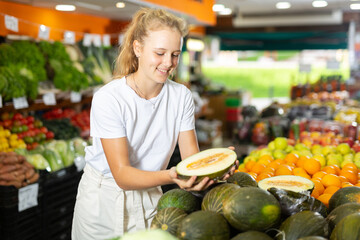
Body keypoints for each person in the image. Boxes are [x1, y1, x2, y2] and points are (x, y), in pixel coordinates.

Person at [72, 8, 237, 240]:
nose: (168, 63)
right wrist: (172, 176)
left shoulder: (181, 96)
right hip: (104, 202)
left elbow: (191, 160)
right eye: (159, 53)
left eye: (175, 54)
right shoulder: (109, 98)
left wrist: (214, 169)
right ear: (138, 48)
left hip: (152, 196)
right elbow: (122, 174)